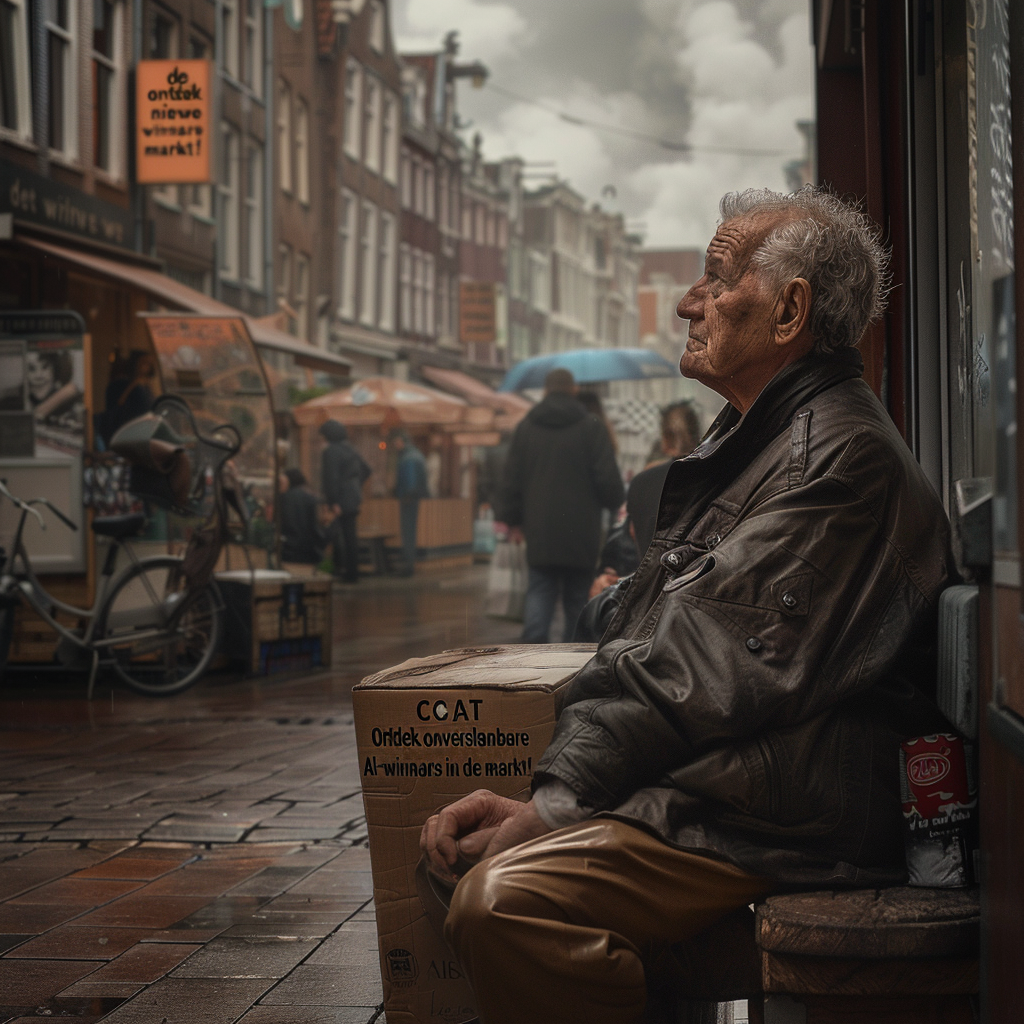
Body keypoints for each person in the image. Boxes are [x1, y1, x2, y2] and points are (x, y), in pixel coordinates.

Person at [421, 186, 955, 1024]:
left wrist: (554, 804)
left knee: (506, 903)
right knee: (458, 870)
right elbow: (677, 632)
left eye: (714, 276)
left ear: (788, 311)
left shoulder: (834, 459)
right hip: (736, 785)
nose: (687, 301)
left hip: (786, 813)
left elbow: (700, 663)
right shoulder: (759, 439)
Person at [497, 368, 625, 643]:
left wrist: (512, 520)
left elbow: (511, 480)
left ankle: (530, 662)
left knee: (540, 592)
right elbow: (609, 484)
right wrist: (613, 502)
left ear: (546, 391)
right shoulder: (591, 426)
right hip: (581, 534)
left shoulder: (527, 427)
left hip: (539, 533)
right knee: (577, 601)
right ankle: (572, 669)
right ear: (573, 390)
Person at [319, 420, 371, 583]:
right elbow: (367, 469)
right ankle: (352, 572)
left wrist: (333, 500)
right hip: (353, 497)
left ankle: (340, 569)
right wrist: (354, 483)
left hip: (339, 499)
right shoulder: (350, 449)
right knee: (350, 536)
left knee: (336, 534)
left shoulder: (331, 451)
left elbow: (331, 478)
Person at [99, 350, 156, 447]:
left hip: (145, 430)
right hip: (130, 433)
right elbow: (120, 403)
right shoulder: (124, 385)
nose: (147, 367)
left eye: (149, 364)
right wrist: (135, 383)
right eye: (143, 363)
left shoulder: (146, 386)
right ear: (135, 364)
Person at [391, 429, 428, 576]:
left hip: (408, 499)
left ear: (402, 441)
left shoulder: (408, 457)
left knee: (408, 532)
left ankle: (408, 565)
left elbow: (411, 481)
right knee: (409, 532)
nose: (395, 445)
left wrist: (406, 494)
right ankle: (408, 564)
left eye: (397, 442)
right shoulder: (416, 455)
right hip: (413, 498)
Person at [278, 468, 326, 567]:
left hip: (287, 551)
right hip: (307, 552)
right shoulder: (310, 498)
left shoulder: (283, 498)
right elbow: (314, 528)